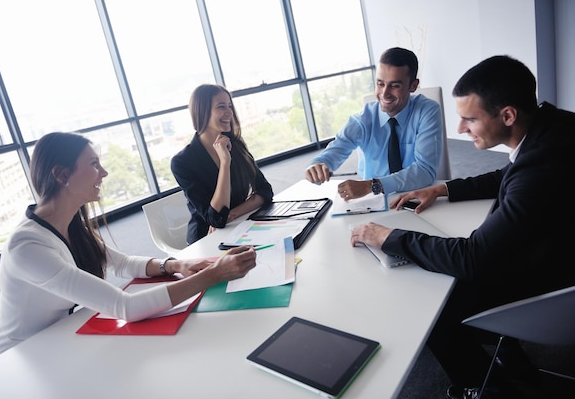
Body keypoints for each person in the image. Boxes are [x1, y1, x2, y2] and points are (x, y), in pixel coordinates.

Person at [350, 55, 575, 399]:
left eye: (470, 118)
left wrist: (388, 237)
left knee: (434, 303)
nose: (460, 129)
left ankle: (489, 388)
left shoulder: (539, 168)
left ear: (508, 115)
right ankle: (508, 354)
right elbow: (508, 177)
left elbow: (473, 258)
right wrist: (444, 188)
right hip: (560, 250)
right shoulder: (553, 126)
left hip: (554, 286)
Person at [0, 132, 257, 362]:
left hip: (59, 343)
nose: (104, 173)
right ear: (61, 174)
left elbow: (123, 263)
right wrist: (212, 276)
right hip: (15, 362)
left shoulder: (71, 223)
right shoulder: (27, 246)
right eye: (93, 164)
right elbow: (123, 306)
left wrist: (175, 265)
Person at [305, 47, 443, 200]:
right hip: (373, 201)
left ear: (413, 86)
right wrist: (318, 165)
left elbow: (424, 171)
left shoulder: (427, 111)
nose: (384, 93)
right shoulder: (363, 119)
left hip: (417, 196)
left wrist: (371, 185)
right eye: (380, 84)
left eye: (395, 85)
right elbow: (337, 148)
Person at [171, 84, 274, 244]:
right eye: (221, 107)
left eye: (230, 106)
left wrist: (232, 214)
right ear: (202, 111)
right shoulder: (182, 162)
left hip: (239, 225)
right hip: (206, 239)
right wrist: (225, 163)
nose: (229, 113)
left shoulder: (235, 145)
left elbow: (265, 191)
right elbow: (216, 218)